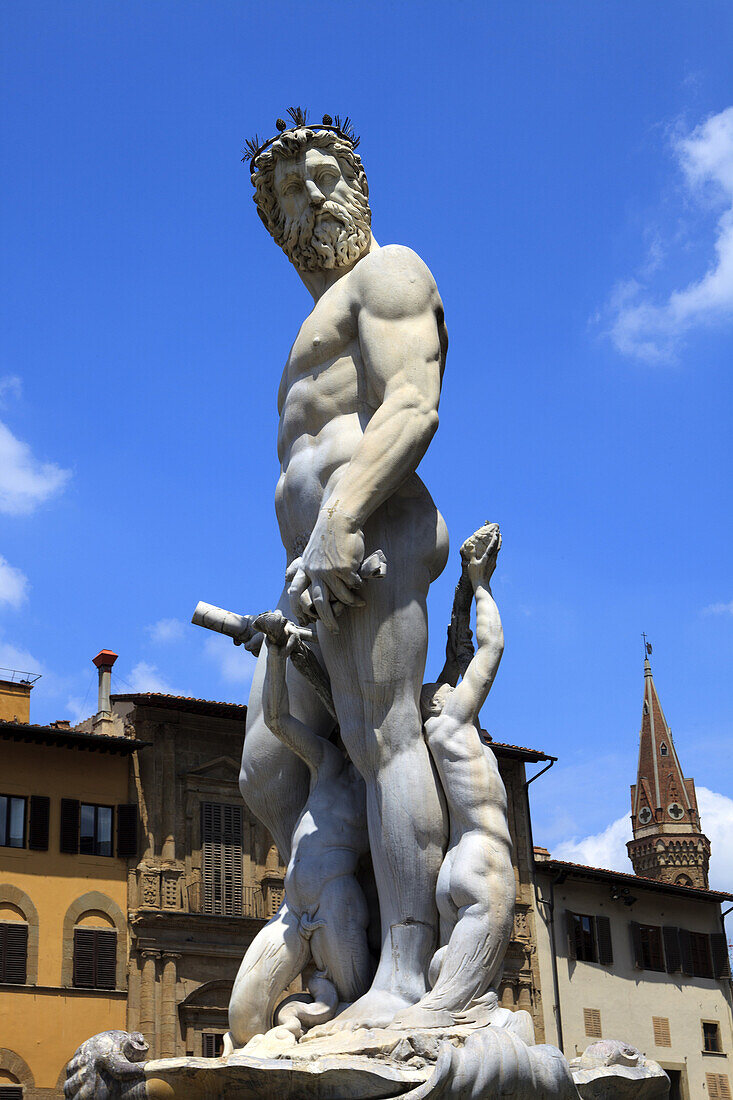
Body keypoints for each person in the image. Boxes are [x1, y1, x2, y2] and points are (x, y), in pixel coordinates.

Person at [237, 110, 449, 1029]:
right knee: (266, 772)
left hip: (367, 532)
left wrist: (341, 517)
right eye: (290, 188)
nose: (311, 194)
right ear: (274, 220)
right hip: (304, 564)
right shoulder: (309, 318)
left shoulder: (390, 271)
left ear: (357, 185)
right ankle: (341, 945)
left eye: (324, 175)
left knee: (383, 740)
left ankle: (405, 977)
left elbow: (412, 402)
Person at [228, 611, 372, 1048]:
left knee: (353, 1009)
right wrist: (275, 654)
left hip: (336, 905)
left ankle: (307, 1024)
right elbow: (276, 721)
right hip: (292, 907)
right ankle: (300, 1021)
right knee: (243, 1018)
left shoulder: (382, 789)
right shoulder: (328, 763)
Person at [391, 524, 514, 1029]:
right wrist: (482, 583)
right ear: (436, 703)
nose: (451, 684)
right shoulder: (454, 724)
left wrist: (460, 595)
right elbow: (489, 650)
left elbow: (455, 651)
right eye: (444, 687)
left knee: (455, 987)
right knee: (445, 1011)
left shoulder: (431, 740)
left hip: (451, 870)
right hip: (485, 858)